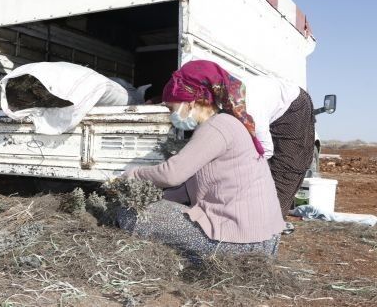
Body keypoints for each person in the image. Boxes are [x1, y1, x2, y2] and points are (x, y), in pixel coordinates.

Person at [120, 60, 284, 261]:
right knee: (154, 209)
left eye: (172, 108)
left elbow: (172, 174)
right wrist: (156, 198)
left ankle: (199, 259)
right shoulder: (227, 123)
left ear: (189, 102)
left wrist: (133, 175)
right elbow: (187, 187)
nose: (171, 115)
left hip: (241, 243)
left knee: (130, 214)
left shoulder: (216, 127)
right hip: (264, 239)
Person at [231, 72, 315, 219]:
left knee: (287, 168)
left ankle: (269, 227)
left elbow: (266, 149)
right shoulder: (223, 104)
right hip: (269, 103)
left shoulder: (251, 108)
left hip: (294, 106)